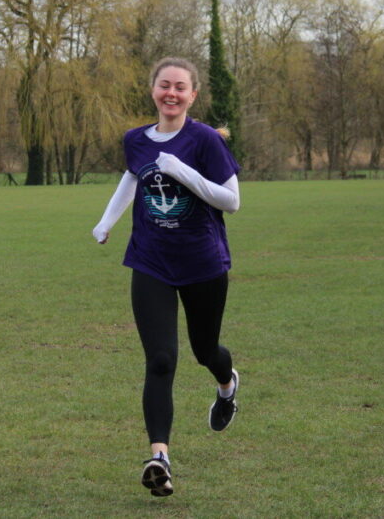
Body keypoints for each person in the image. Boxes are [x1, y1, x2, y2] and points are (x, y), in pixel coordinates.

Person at [92, 57, 241, 497]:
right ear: (153, 89)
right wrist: (106, 222)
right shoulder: (135, 140)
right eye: (164, 85)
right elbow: (131, 179)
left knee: (204, 350)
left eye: (180, 87)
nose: (171, 93)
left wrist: (185, 173)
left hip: (203, 264)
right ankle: (160, 456)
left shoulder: (205, 141)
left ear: (192, 95)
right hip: (150, 260)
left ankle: (228, 383)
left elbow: (231, 201)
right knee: (160, 359)